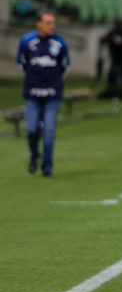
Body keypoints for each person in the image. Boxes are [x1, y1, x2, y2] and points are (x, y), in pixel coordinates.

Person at [16, 10, 70, 177]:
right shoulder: (27, 41)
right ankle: (35, 156)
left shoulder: (59, 42)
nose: (51, 26)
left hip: (52, 94)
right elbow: (21, 63)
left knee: (48, 130)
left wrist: (52, 82)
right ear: (38, 23)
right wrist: (35, 80)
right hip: (32, 94)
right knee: (31, 129)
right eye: (48, 22)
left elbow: (65, 66)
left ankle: (47, 167)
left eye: (53, 22)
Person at [98, 21, 122, 99]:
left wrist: (120, 41)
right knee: (112, 74)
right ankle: (111, 91)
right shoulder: (112, 33)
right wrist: (108, 39)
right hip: (114, 58)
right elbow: (103, 40)